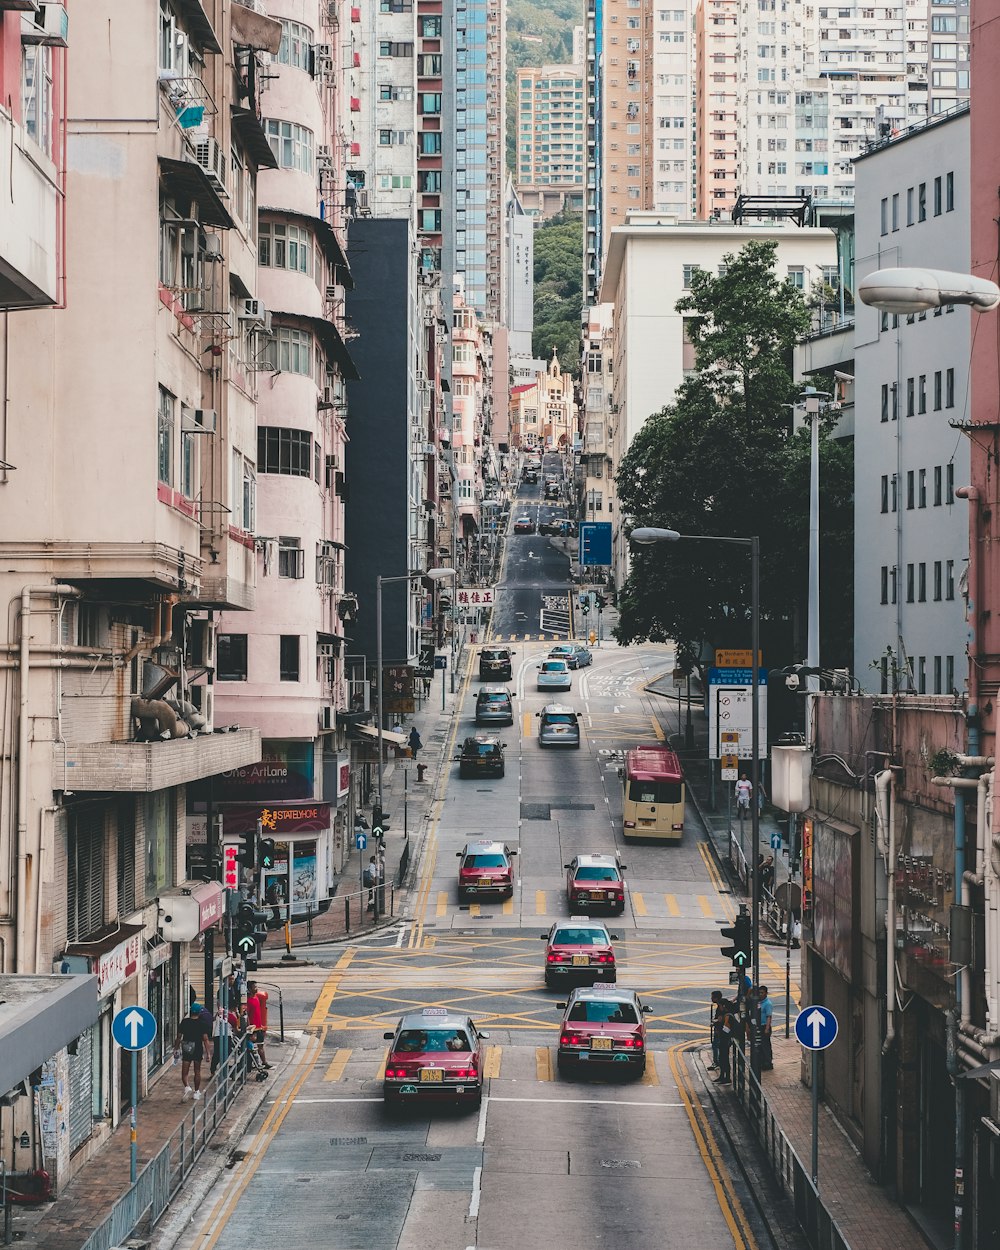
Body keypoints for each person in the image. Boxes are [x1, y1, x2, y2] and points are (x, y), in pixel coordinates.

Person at [175, 1002, 213, 1100]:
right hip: (197, 1049)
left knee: (184, 1072)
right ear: (199, 1013)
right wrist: (208, 1054)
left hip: (187, 1047)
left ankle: (187, 1086)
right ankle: (196, 1092)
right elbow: (205, 1039)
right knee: (197, 1071)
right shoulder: (202, 1023)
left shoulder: (184, 1022)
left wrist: (176, 1048)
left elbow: (179, 1037)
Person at [245, 981, 272, 1069]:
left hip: (259, 1027)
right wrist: (250, 1029)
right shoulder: (248, 1001)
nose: (256, 989)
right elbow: (247, 1015)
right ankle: (254, 1063)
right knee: (252, 1047)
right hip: (253, 1028)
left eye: (256, 987)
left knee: (261, 1045)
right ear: (249, 989)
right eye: (254, 987)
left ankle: (264, 1062)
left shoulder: (256, 997)